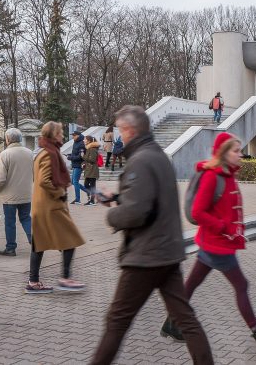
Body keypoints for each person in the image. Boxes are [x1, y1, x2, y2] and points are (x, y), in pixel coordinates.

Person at [89, 105, 213, 365]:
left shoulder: (140, 160)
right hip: (168, 253)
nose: (119, 137)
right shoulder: (157, 156)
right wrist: (119, 196)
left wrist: (112, 214)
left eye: (120, 131)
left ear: (130, 130)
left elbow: (136, 212)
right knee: (186, 320)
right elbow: (149, 198)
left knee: (117, 321)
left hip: (145, 257)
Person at [162, 132, 256, 354]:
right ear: (223, 153)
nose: (241, 155)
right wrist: (225, 228)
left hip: (217, 244)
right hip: (218, 245)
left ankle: (171, 322)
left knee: (191, 283)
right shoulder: (213, 176)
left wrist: (235, 230)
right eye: (236, 151)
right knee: (241, 286)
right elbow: (198, 212)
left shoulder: (227, 175)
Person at [26, 120, 86, 294]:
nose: (62, 135)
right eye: (59, 133)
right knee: (71, 239)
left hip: (42, 207)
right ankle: (65, 279)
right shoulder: (48, 154)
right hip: (51, 207)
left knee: (39, 244)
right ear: (53, 135)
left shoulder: (43, 152)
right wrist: (59, 193)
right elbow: (45, 181)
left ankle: (33, 282)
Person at [0, 127, 34, 256]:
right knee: (26, 218)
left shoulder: (4, 154)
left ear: (8, 139)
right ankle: (35, 240)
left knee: (10, 222)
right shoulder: (30, 153)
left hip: (9, 195)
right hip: (26, 193)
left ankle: (11, 248)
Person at [82, 134, 101, 206]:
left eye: (85, 139)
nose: (84, 140)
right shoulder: (89, 148)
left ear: (89, 141)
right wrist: (83, 163)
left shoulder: (92, 149)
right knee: (86, 185)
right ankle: (94, 196)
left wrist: (83, 156)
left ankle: (92, 200)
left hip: (92, 170)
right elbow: (88, 159)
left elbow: (92, 160)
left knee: (91, 185)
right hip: (89, 169)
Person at [69, 130, 86, 204]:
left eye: (74, 135)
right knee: (73, 182)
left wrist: (71, 158)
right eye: (72, 135)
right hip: (75, 164)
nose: (73, 136)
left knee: (75, 182)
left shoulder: (81, 143)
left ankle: (77, 199)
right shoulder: (75, 142)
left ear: (78, 136)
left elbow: (81, 157)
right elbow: (75, 153)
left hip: (79, 165)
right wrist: (70, 155)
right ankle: (88, 191)